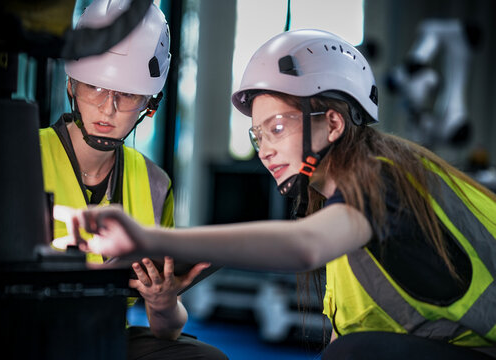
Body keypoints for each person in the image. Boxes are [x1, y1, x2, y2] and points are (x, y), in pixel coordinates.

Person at [55, 29, 496, 359]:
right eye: (257, 136)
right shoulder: (338, 207)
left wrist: (148, 237)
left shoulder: (384, 180)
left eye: (278, 129)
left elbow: (304, 248)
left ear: (335, 124)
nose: (265, 150)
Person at [39, 1, 227, 359]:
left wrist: (162, 302)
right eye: (94, 87)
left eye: (126, 95)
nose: (108, 108)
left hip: (107, 336)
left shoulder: (155, 183)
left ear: (149, 104)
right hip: (26, 333)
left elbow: (168, 329)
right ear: (72, 86)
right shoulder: (22, 154)